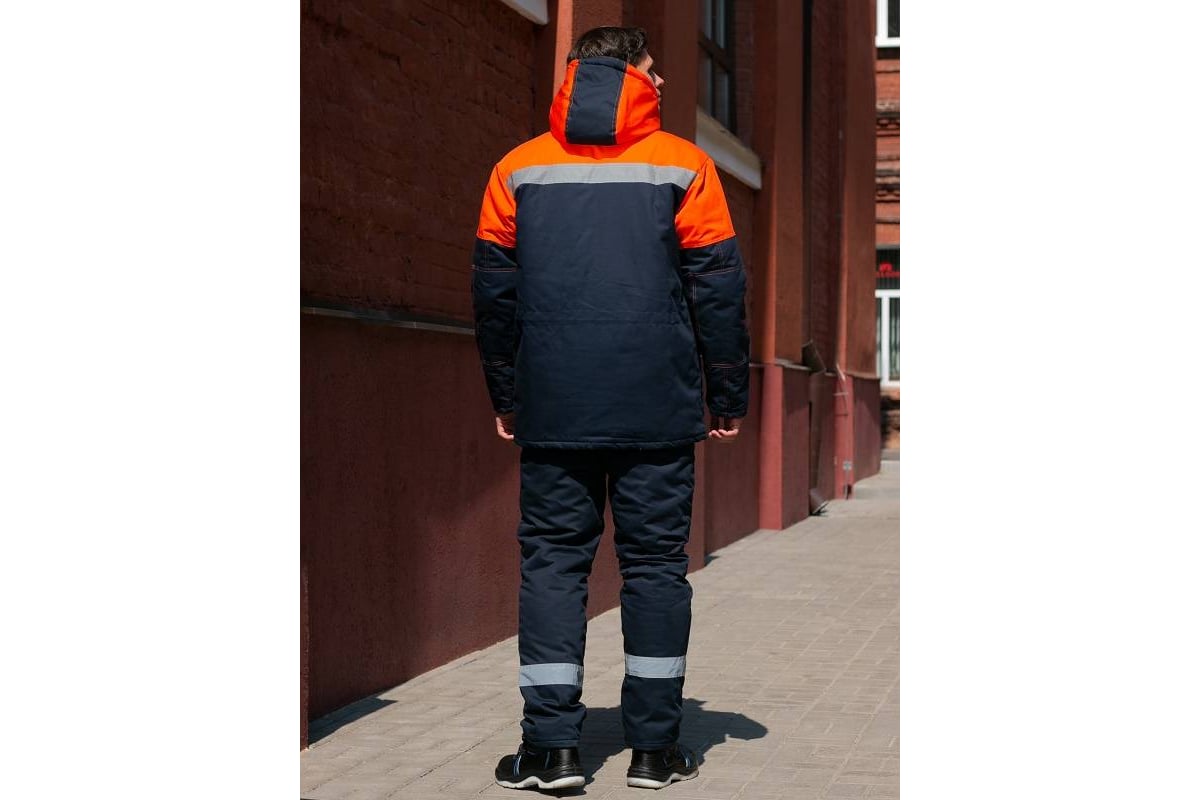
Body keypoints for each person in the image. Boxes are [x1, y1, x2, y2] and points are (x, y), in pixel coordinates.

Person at [472, 25, 749, 791]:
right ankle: (655, 751)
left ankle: (551, 750)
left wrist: (508, 393)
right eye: (653, 71)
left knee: (553, 567)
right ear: (626, 73)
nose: (661, 83)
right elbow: (718, 289)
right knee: (655, 568)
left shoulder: (517, 168)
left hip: (556, 407)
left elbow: (493, 294)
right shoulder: (685, 166)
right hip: (657, 406)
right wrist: (728, 393)